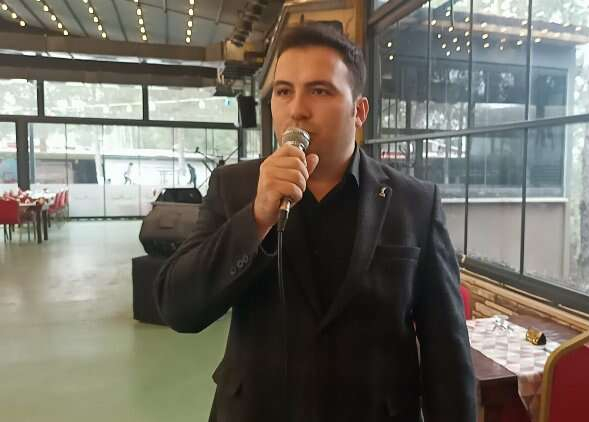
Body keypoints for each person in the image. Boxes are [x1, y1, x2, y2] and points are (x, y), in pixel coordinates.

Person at [154, 24, 475, 422]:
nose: (297, 109)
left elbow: (446, 351)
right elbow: (178, 307)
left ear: (359, 111)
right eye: (283, 91)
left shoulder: (415, 203)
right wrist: (256, 218)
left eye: (319, 91)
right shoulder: (234, 187)